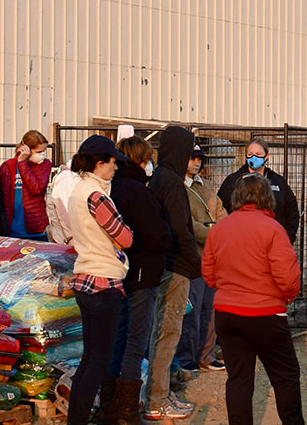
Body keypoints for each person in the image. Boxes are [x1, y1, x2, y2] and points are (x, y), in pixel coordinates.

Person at [203, 174, 304, 425]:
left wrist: (227, 289)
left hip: (227, 312)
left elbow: (208, 271)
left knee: (238, 377)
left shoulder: (220, 228)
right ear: (267, 198)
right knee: (285, 375)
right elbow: (287, 275)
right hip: (265, 312)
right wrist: (287, 296)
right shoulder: (273, 229)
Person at [59, 136, 135, 425]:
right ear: (99, 163)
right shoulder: (97, 195)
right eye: (113, 162)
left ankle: (76, 418)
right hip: (104, 281)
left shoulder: (79, 190)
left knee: (89, 359)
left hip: (85, 280)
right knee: (98, 361)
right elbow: (125, 237)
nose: (116, 167)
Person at [101, 136, 171, 425]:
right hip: (142, 271)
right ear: (141, 159)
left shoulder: (111, 188)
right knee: (136, 340)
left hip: (117, 272)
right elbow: (156, 235)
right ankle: (128, 413)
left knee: (117, 338)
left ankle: (108, 408)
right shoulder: (138, 192)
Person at [143, 126, 202, 420]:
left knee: (160, 334)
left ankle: (160, 394)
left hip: (164, 265)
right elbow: (182, 229)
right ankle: (157, 400)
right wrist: (196, 262)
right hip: (175, 267)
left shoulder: (158, 178)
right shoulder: (172, 183)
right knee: (168, 334)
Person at [177, 144, 229, 374]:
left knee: (211, 308)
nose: (197, 162)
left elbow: (222, 215)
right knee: (192, 310)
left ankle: (205, 355)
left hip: (213, 255)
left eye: (199, 158)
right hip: (192, 257)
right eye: (192, 158)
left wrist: (215, 231)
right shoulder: (176, 188)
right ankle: (187, 356)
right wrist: (215, 232)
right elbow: (187, 223)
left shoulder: (207, 186)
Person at [218, 139, 301, 242]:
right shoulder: (233, 181)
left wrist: (287, 239)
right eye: (250, 154)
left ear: (266, 156)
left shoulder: (278, 182)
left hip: (272, 241)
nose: (254, 157)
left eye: (258, 154)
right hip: (240, 241)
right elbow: (220, 210)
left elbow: (292, 211)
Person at [0, 130, 53, 241]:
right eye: (38, 151)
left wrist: (22, 163)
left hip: (36, 228)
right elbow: (3, 196)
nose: (42, 154)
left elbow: (36, 189)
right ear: (26, 149)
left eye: (44, 151)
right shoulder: (8, 166)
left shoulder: (45, 165)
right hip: (13, 228)